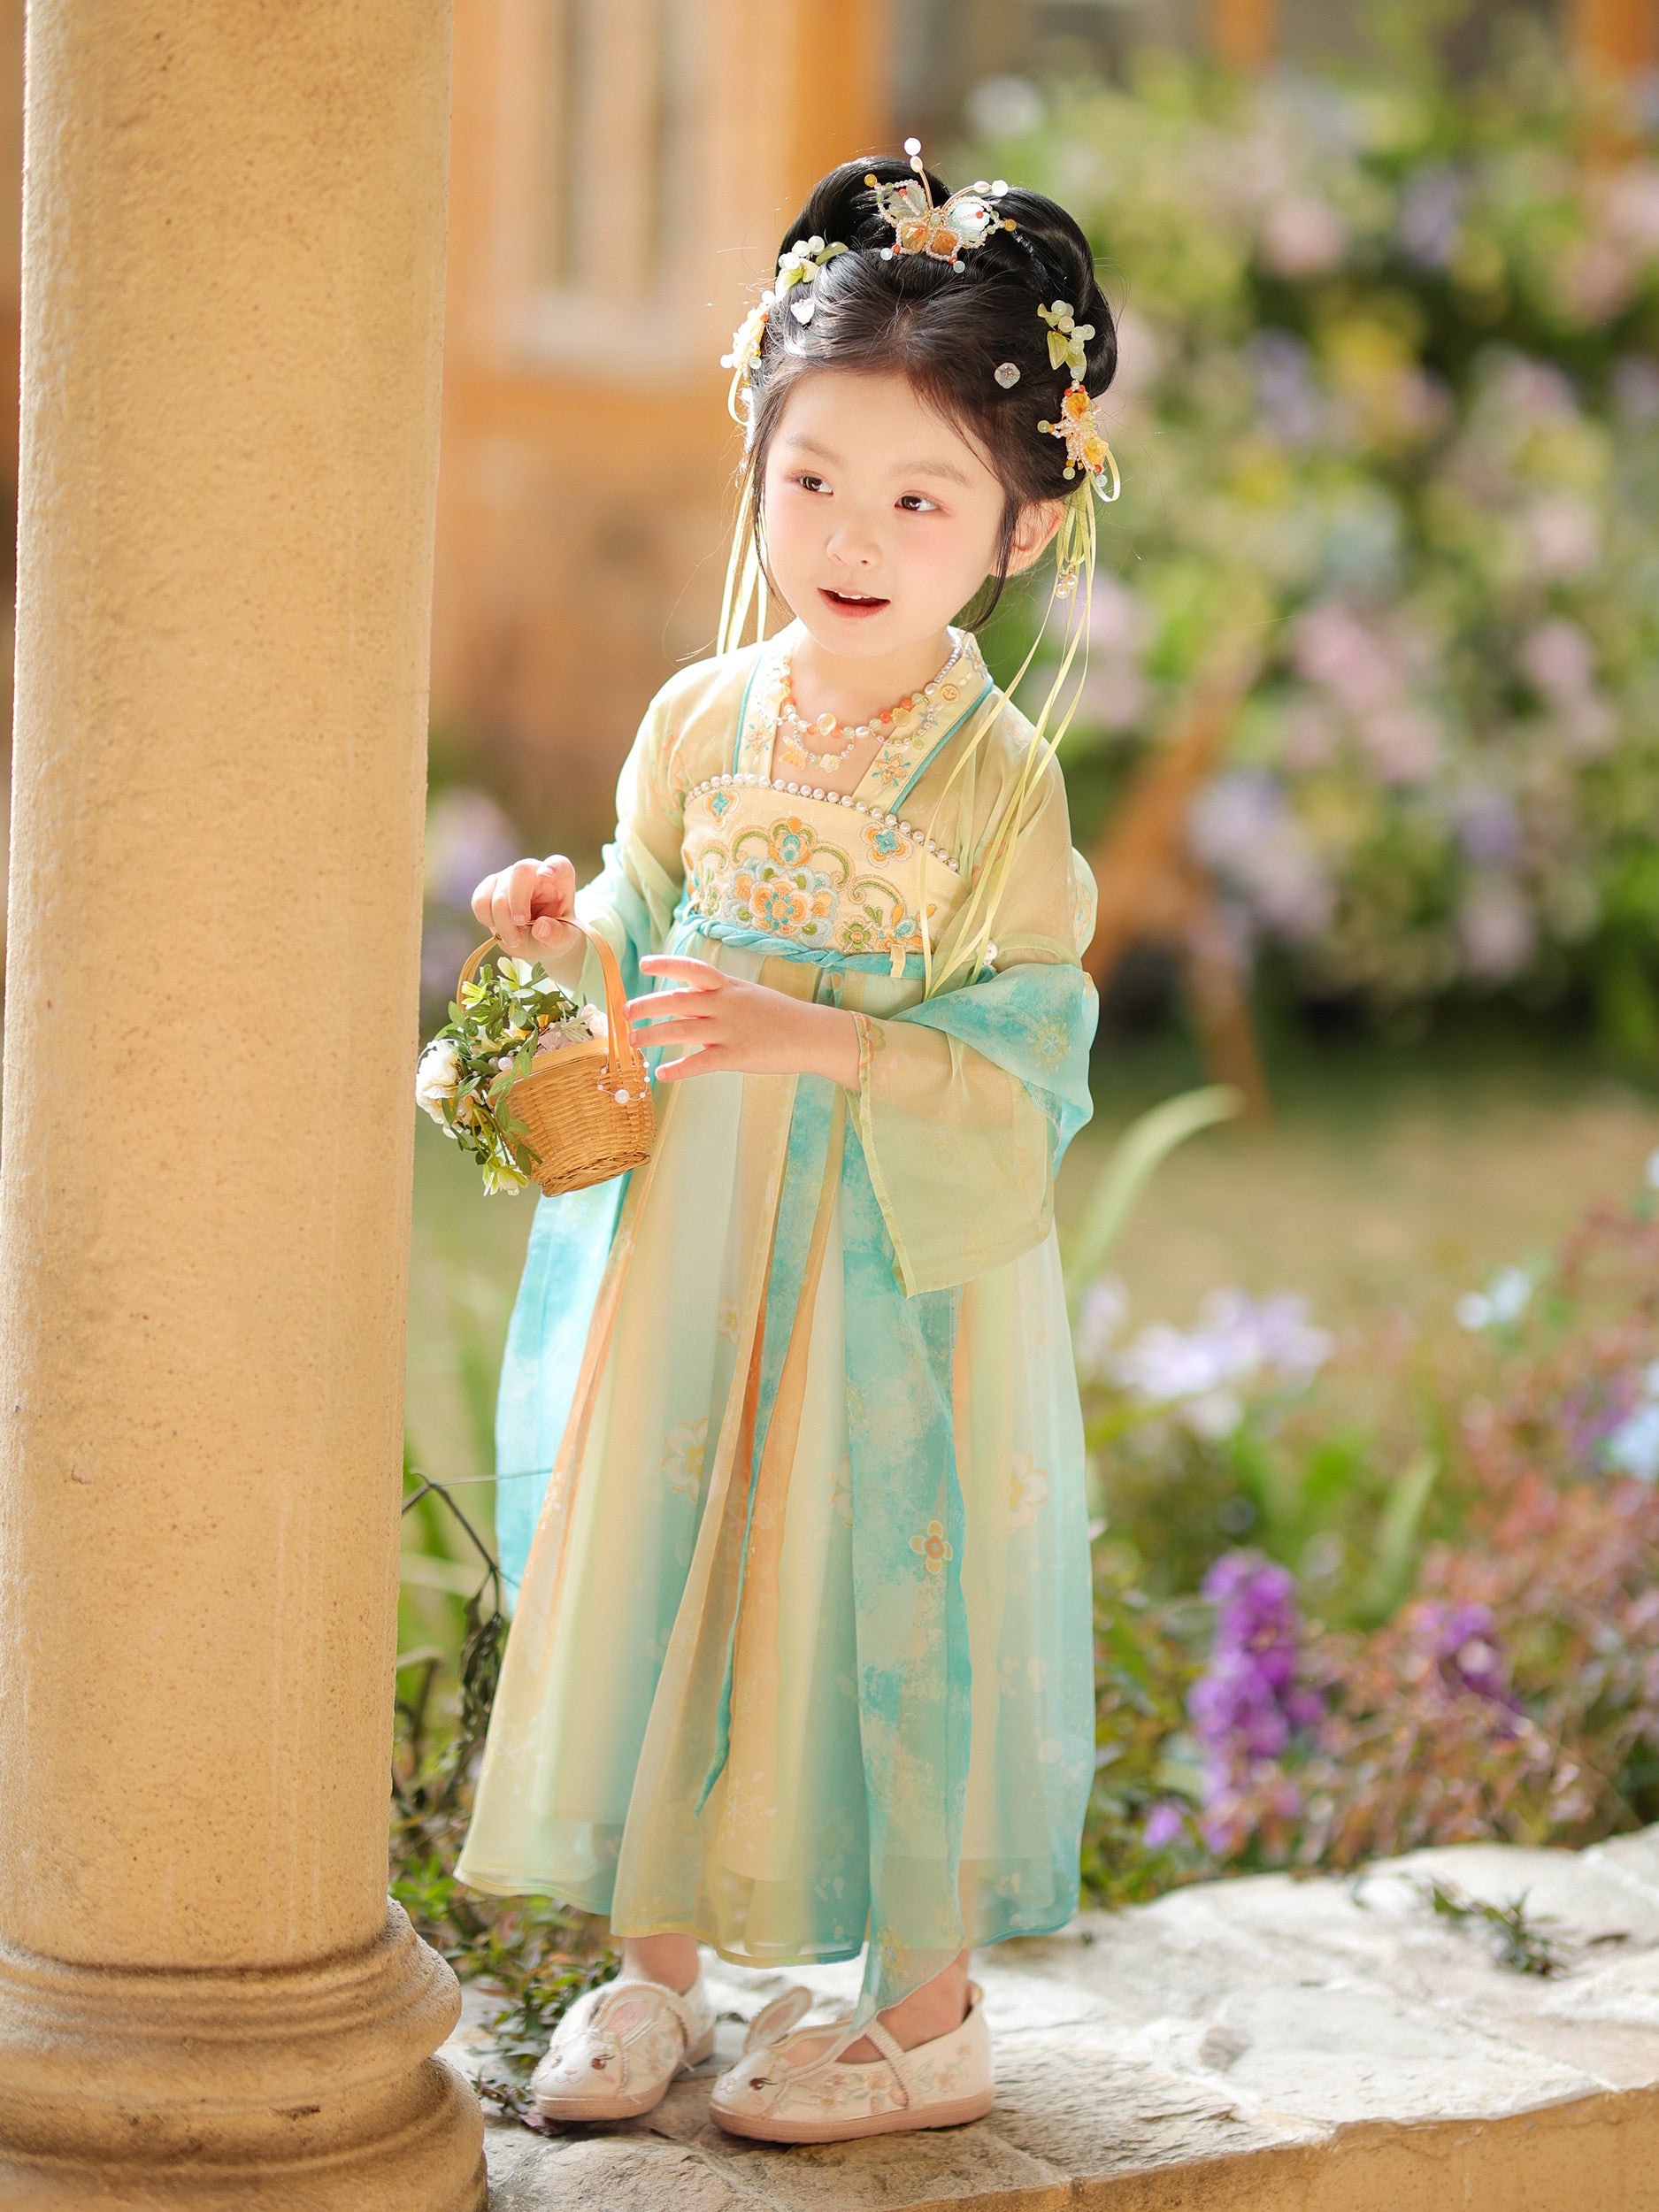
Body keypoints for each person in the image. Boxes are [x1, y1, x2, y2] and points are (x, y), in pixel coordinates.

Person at [455, 142, 1119, 2144]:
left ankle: (923, 2008)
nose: (852, 532)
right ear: (754, 462)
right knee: (669, 1539)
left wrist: (814, 1035)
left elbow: (1031, 1041)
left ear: (1017, 524)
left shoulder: (996, 780)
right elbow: (653, 940)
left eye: (920, 497)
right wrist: (566, 937)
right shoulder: (700, 717)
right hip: (695, 1232)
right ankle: (657, 1966)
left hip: (877, 1262)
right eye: (812, 476)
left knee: (868, 1570)